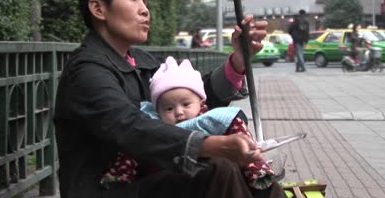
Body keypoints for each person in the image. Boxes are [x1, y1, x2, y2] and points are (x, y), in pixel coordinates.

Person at [53, 0, 292, 198]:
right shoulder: (86, 72)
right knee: (217, 169)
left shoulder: (141, 61)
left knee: (255, 174)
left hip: (149, 177)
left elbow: (188, 99)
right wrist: (211, 144)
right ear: (98, 9)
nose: (145, 10)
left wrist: (238, 62)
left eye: (145, 1)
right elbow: (129, 126)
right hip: (109, 194)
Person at [112, 56, 280, 190]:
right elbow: (131, 150)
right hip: (169, 182)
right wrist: (122, 174)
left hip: (197, 181)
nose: (179, 112)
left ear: (201, 102)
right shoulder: (150, 123)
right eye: (168, 108)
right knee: (223, 168)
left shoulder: (211, 119)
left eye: (186, 105)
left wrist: (255, 165)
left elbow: (244, 142)